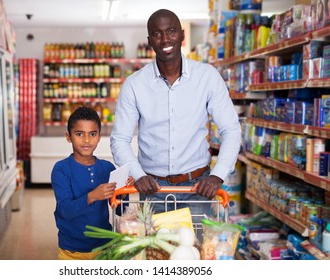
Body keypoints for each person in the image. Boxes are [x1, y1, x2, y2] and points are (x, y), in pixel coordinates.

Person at [110, 9, 241, 228]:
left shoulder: (207, 77)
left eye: (171, 31)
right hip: (151, 190)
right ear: (150, 40)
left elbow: (231, 130)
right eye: (157, 34)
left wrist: (217, 175)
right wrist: (138, 174)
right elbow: (119, 140)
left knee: (196, 253)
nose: (165, 39)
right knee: (154, 255)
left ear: (181, 35)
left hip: (198, 189)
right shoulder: (134, 85)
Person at [51, 106, 134, 260]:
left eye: (93, 134)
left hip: (104, 247)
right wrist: (93, 196)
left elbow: (120, 211)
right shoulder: (61, 169)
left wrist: (123, 193)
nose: (87, 140)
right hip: (71, 250)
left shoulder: (107, 168)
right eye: (79, 134)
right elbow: (64, 210)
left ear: (99, 136)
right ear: (68, 137)